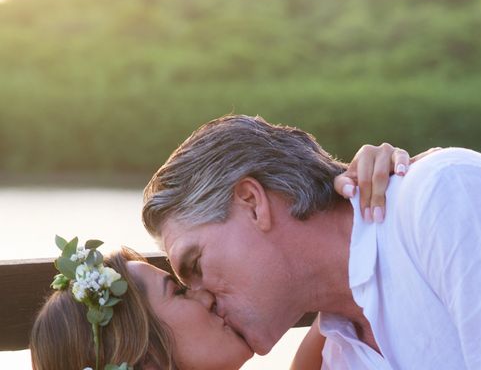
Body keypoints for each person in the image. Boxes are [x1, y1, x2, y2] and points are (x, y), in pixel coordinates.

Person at [143, 115, 481, 369]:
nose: (204, 294)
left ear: (252, 202)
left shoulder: (443, 195)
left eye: (196, 264)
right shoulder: (340, 350)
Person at [30, 141, 421, 370]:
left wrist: (405, 187)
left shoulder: (325, 347)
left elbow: (340, 270)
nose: (206, 295)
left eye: (193, 270)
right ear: (140, 351)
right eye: (179, 289)